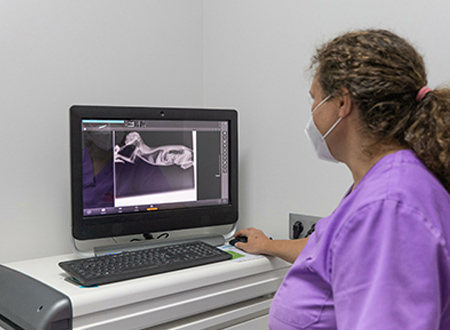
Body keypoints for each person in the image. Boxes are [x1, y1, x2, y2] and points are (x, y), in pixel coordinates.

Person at [234, 29, 450, 329]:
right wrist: (268, 244)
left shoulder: (389, 207)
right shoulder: (388, 181)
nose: (312, 112)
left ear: (342, 103)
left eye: (315, 99)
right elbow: (331, 251)